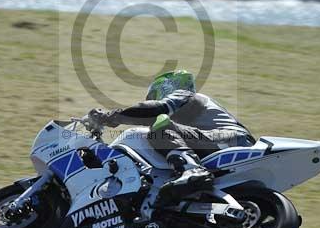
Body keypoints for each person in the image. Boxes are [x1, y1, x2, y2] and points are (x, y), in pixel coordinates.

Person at [89, 70, 255, 196]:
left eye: (153, 95)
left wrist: (110, 117)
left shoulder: (186, 95)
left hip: (231, 140)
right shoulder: (185, 121)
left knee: (159, 128)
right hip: (222, 145)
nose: (151, 99)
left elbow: (155, 110)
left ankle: (192, 170)